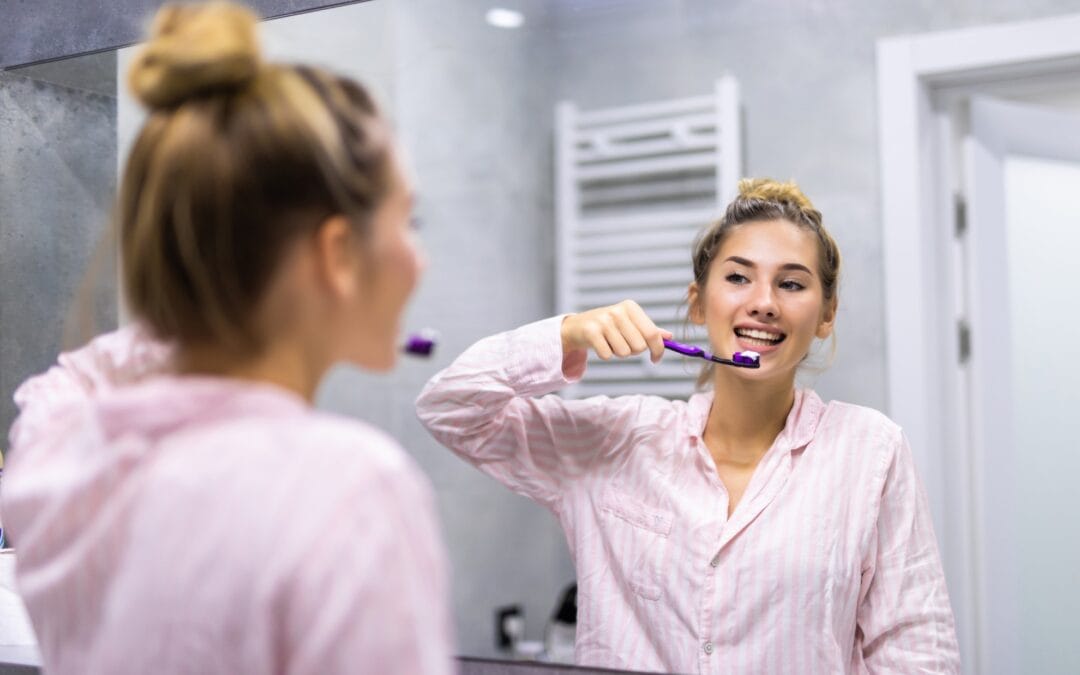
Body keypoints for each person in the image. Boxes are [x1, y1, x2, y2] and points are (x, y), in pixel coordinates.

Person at [1, 3, 453, 673]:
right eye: (406, 222)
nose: (421, 259)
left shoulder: (63, 464)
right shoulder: (348, 488)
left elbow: (59, 390)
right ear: (334, 254)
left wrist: (204, 307)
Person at [416, 178, 960, 673]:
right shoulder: (616, 439)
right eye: (738, 277)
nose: (763, 303)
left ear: (826, 315)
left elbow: (915, 651)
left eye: (791, 285)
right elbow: (450, 407)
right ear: (698, 305)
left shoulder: (871, 452)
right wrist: (565, 334)